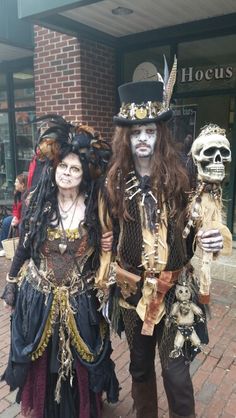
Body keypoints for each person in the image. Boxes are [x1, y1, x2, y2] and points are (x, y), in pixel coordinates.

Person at [96, 73, 229, 418]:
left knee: (175, 372)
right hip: (130, 293)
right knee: (139, 369)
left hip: (174, 291)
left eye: (150, 131)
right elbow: (103, 227)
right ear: (127, 137)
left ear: (160, 134)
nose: (143, 138)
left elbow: (205, 217)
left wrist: (214, 237)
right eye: (136, 132)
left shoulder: (183, 172)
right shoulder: (112, 178)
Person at [1, 117, 119, 418]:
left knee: (80, 362)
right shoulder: (37, 202)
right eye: (63, 167)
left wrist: (109, 246)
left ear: (84, 174)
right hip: (39, 297)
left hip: (81, 300)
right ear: (54, 167)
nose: (67, 173)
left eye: (75, 169)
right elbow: (25, 247)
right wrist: (12, 282)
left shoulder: (96, 206)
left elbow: (106, 252)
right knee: (44, 363)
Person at [0, 173, 28, 257]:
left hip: (24, 219)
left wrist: (18, 221)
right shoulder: (18, 194)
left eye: (16, 182)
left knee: (11, 223)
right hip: (18, 217)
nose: (15, 184)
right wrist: (15, 217)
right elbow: (15, 208)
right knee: (6, 221)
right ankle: (4, 246)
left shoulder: (27, 196)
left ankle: (14, 248)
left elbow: (26, 213)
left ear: (22, 184)